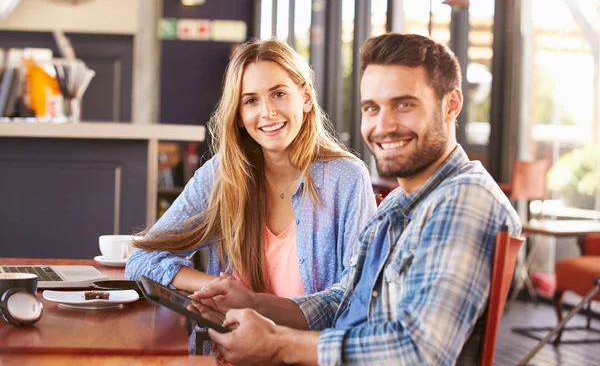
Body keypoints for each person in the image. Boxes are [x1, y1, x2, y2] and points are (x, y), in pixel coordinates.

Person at [191, 33, 522, 366]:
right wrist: (256, 303)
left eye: (404, 104)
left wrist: (277, 344)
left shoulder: (463, 198)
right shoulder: (399, 203)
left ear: (451, 104)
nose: (384, 125)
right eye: (372, 108)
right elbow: (343, 301)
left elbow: (420, 351)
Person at [125, 38, 376, 350]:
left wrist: (255, 304)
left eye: (279, 94)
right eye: (251, 101)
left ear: (306, 97)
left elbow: (354, 298)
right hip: (228, 355)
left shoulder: (346, 178)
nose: (268, 112)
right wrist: (216, 286)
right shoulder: (221, 175)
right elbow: (141, 259)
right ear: (239, 115)